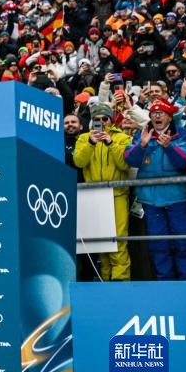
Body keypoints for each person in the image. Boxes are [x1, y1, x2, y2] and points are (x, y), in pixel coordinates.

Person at [123, 100, 186, 280]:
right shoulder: (142, 133)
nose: (157, 116)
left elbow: (183, 161)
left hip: (177, 197)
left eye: (162, 113)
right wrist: (142, 145)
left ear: (170, 117)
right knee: (158, 244)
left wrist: (170, 147)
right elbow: (129, 159)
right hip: (151, 199)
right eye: (154, 113)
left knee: (183, 242)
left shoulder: (182, 133)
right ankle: (165, 282)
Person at [72, 104, 133, 281]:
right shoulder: (84, 138)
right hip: (94, 196)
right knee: (101, 242)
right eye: (96, 119)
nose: (101, 122)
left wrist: (110, 143)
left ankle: (121, 281)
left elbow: (125, 165)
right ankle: (105, 279)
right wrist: (91, 143)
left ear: (111, 119)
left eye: (104, 119)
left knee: (118, 240)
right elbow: (79, 162)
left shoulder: (122, 138)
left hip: (117, 194)